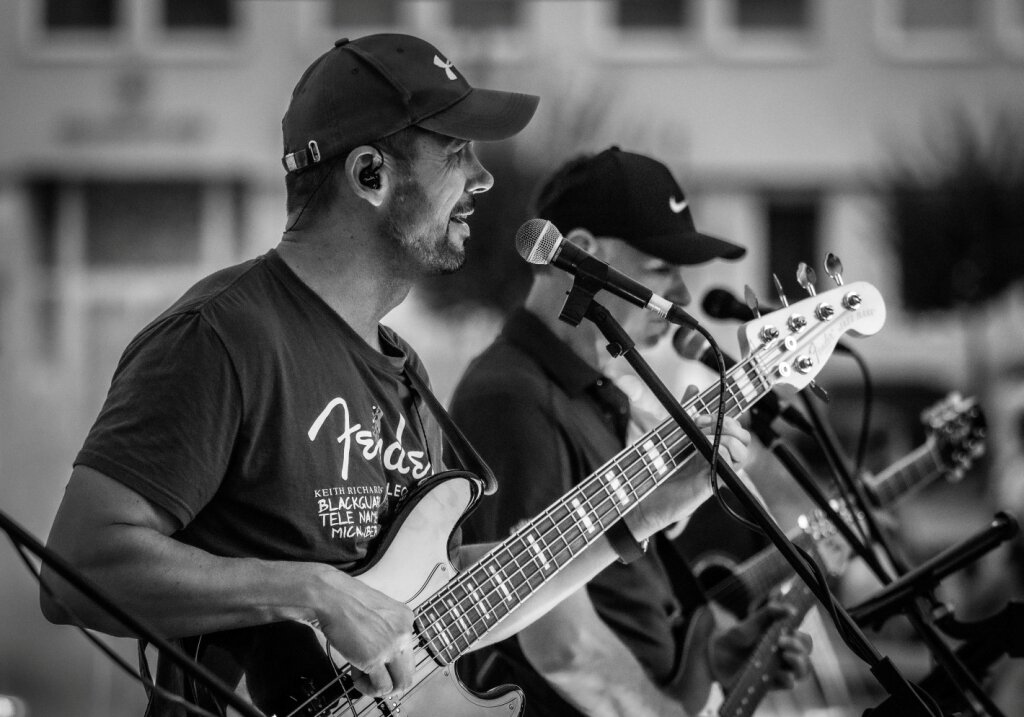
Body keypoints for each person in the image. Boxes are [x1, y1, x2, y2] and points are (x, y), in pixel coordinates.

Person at [37, 35, 752, 717]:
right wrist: (312, 593)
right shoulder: (223, 336)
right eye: (457, 152)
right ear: (370, 175)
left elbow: (450, 599)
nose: (483, 178)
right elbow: (76, 568)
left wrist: (636, 521)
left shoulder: (402, 373)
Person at [450, 147, 813, 717]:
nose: (684, 296)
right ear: (581, 252)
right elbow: (559, 644)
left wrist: (709, 660)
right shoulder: (510, 399)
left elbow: (618, 595)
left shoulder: (597, 393)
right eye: (661, 269)